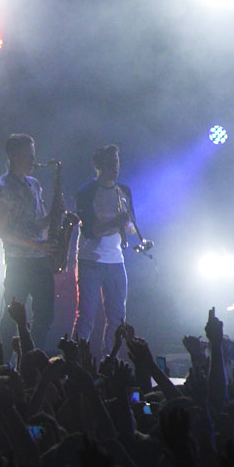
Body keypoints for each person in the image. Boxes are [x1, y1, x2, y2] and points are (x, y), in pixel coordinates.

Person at [0, 132, 59, 350]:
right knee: (12, 318)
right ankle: (3, 362)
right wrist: (36, 244)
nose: (33, 160)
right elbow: (1, 231)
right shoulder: (1, 189)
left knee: (44, 316)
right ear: (14, 156)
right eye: (29, 155)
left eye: (33, 154)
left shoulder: (34, 184)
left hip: (40, 260)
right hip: (18, 262)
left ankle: (34, 357)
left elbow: (38, 223)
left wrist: (56, 215)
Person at [73, 144, 139, 357]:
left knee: (118, 318)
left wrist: (127, 225)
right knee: (86, 317)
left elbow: (131, 227)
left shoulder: (124, 191)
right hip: (90, 260)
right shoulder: (87, 191)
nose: (115, 167)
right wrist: (115, 223)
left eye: (117, 162)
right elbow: (90, 231)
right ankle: (76, 361)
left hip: (116, 260)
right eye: (110, 163)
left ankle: (110, 360)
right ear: (98, 165)